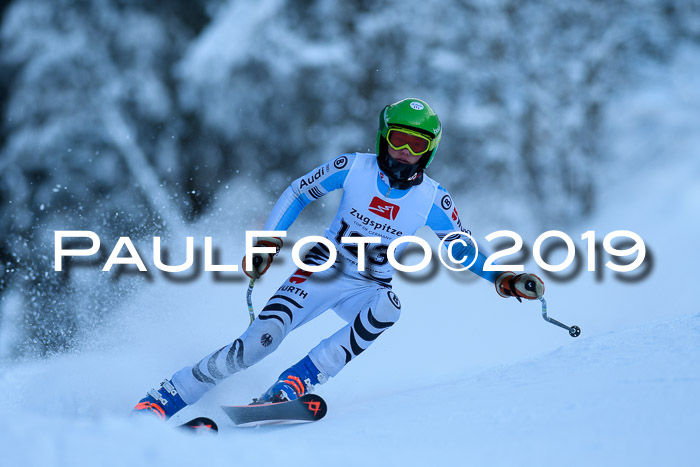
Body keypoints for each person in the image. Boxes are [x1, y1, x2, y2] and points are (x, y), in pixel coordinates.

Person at [133, 98, 545, 420]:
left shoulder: (432, 199)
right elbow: (298, 191)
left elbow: (461, 246)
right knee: (259, 344)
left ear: (429, 152)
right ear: (383, 138)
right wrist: (266, 243)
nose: (404, 152)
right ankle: (169, 396)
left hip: (368, 285)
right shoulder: (353, 168)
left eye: (416, 145)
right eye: (397, 139)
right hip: (322, 272)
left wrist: (503, 276)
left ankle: (294, 384)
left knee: (389, 308)